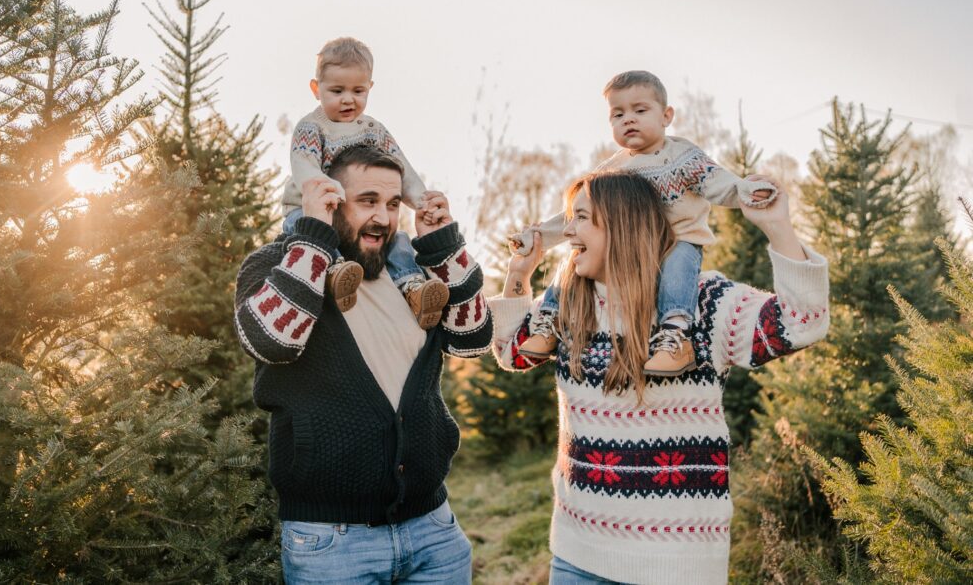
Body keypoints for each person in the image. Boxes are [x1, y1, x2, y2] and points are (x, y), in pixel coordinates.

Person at [491, 170, 829, 585]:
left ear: (622, 224)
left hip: (677, 566)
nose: (569, 231)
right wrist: (519, 274)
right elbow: (512, 354)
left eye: (580, 218)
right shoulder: (567, 304)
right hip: (578, 558)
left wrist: (777, 226)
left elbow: (802, 324)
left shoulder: (701, 303)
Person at [235, 145, 492, 583]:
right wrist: (314, 231)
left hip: (433, 530)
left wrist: (442, 241)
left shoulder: (410, 278)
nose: (384, 218)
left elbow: (474, 338)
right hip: (332, 544)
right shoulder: (274, 265)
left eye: (393, 204)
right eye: (367, 201)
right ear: (329, 200)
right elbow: (272, 341)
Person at [510, 71, 776, 376]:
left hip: (678, 240)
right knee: (575, 257)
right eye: (618, 114)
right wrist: (539, 234)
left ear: (666, 116)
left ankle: (675, 338)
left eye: (640, 110)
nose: (628, 120)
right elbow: (577, 214)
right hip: (632, 248)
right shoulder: (613, 169)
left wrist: (744, 190)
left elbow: (718, 183)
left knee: (678, 266)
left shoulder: (682, 156)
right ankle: (549, 322)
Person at [280, 36, 449, 329]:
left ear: (370, 88)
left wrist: (422, 199)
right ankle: (334, 271)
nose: (348, 99)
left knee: (398, 240)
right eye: (337, 90)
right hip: (313, 208)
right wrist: (320, 186)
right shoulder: (312, 126)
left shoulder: (374, 131)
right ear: (316, 89)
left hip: (359, 215)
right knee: (302, 228)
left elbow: (401, 168)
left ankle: (412, 288)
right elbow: (303, 163)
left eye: (358, 90)